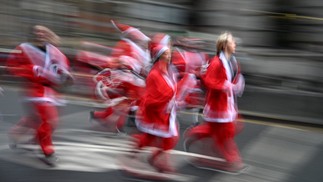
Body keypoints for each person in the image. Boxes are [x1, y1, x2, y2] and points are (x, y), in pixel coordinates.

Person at [6, 25, 73, 166]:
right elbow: (11, 66)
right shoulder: (24, 48)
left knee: (36, 120)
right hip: (34, 91)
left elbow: (62, 67)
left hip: (52, 92)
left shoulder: (54, 51)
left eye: (43, 31)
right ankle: (48, 152)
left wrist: (66, 76)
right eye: (37, 31)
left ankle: (16, 135)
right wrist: (32, 71)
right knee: (48, 121)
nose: (40, 34)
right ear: (32, 34)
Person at [185, 31, 245, 171]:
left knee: (229, 128)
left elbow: (235, 79)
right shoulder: (216, 62)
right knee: (225, 131)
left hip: (228, 103)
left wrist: (237, 84)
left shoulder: (233, 62)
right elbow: (209, 81)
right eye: (232, 42)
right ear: (224, 45)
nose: (234, 44)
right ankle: (231, 159)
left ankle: (197, 136)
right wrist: (226, 85)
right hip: (218, 105)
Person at [127, 34, 180, 173]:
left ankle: (157, 160)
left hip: (164, 113)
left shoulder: (166, 71)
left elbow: (171, 89)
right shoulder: (154, 74)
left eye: (169, 53)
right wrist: (168, 98)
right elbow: (152, 97)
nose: (169, 55)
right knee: (152, 138)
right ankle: (139, 153)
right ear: (160, 56)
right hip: (156, 113)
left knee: (168, 138)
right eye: (167, 53)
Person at [89, 20, 150, 130]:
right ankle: (121, 123)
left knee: (128, 101)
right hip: (126, 79)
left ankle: (100, 116)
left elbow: (141, 65)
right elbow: (122, 62)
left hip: (132, 79)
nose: (143, 43)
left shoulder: (137, 49)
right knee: (130, 100)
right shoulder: (126, 46)